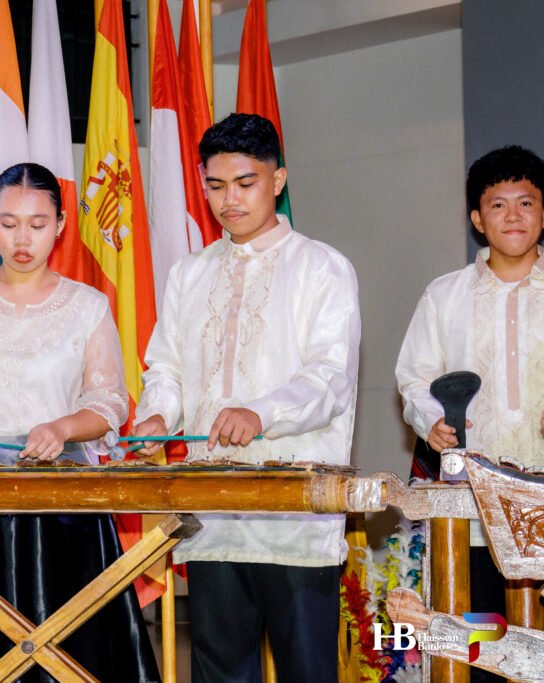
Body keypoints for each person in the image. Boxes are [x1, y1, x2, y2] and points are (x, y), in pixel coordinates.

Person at [0, 162, 160, 682]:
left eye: (37, 224)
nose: (22, 239)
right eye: (9, 223)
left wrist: (62, 429)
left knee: (70, 650)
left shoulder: (87, 305)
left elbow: (108, 404)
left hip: (64, 504)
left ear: (60, 225)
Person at [132, 113, 360, 682]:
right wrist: (156, 415)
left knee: (307, 670)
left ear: (277, 180)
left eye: (245, 183)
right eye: (215, 185)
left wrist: (261, 413)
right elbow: (166, 366)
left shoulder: (322, 266)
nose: (228, 200)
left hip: (294, 513)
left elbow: (331, 377)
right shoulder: (189, 273)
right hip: (214, 510)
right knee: (220, 669)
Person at [396, 145, 544, 683]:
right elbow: (415, 378)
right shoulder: (444, 295)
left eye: (525, 202)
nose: (513, 216)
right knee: (477, 644)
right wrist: (429, 420)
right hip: (472, 511)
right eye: (498, 205)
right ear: (478, 219)